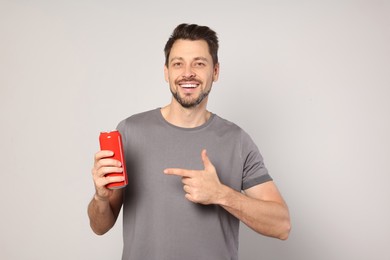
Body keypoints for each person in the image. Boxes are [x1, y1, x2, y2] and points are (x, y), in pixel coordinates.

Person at [88, 23, 291, 260]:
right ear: (166, 72)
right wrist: (100, 198)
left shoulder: (238, 141)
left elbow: (282, 225)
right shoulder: (130, 131)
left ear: (215, 71)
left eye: (199, 63)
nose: (187, 73)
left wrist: (221, 194)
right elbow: (99, 226)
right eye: (178, 64)